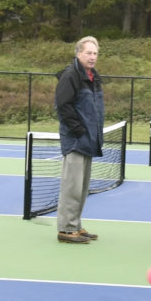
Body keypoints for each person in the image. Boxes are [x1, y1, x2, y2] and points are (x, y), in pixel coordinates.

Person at [50, 36, 105, 244]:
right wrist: (79, 130)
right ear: (78, 54)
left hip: (89, 140)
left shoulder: (93, 76)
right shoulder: (71, 75)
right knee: (72, 186)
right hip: (76, 140)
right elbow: (63, 106)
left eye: (95, 53)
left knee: (82, 187)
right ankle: (66, 228)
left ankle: (75, 224)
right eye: (88, 53)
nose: (92, 57)